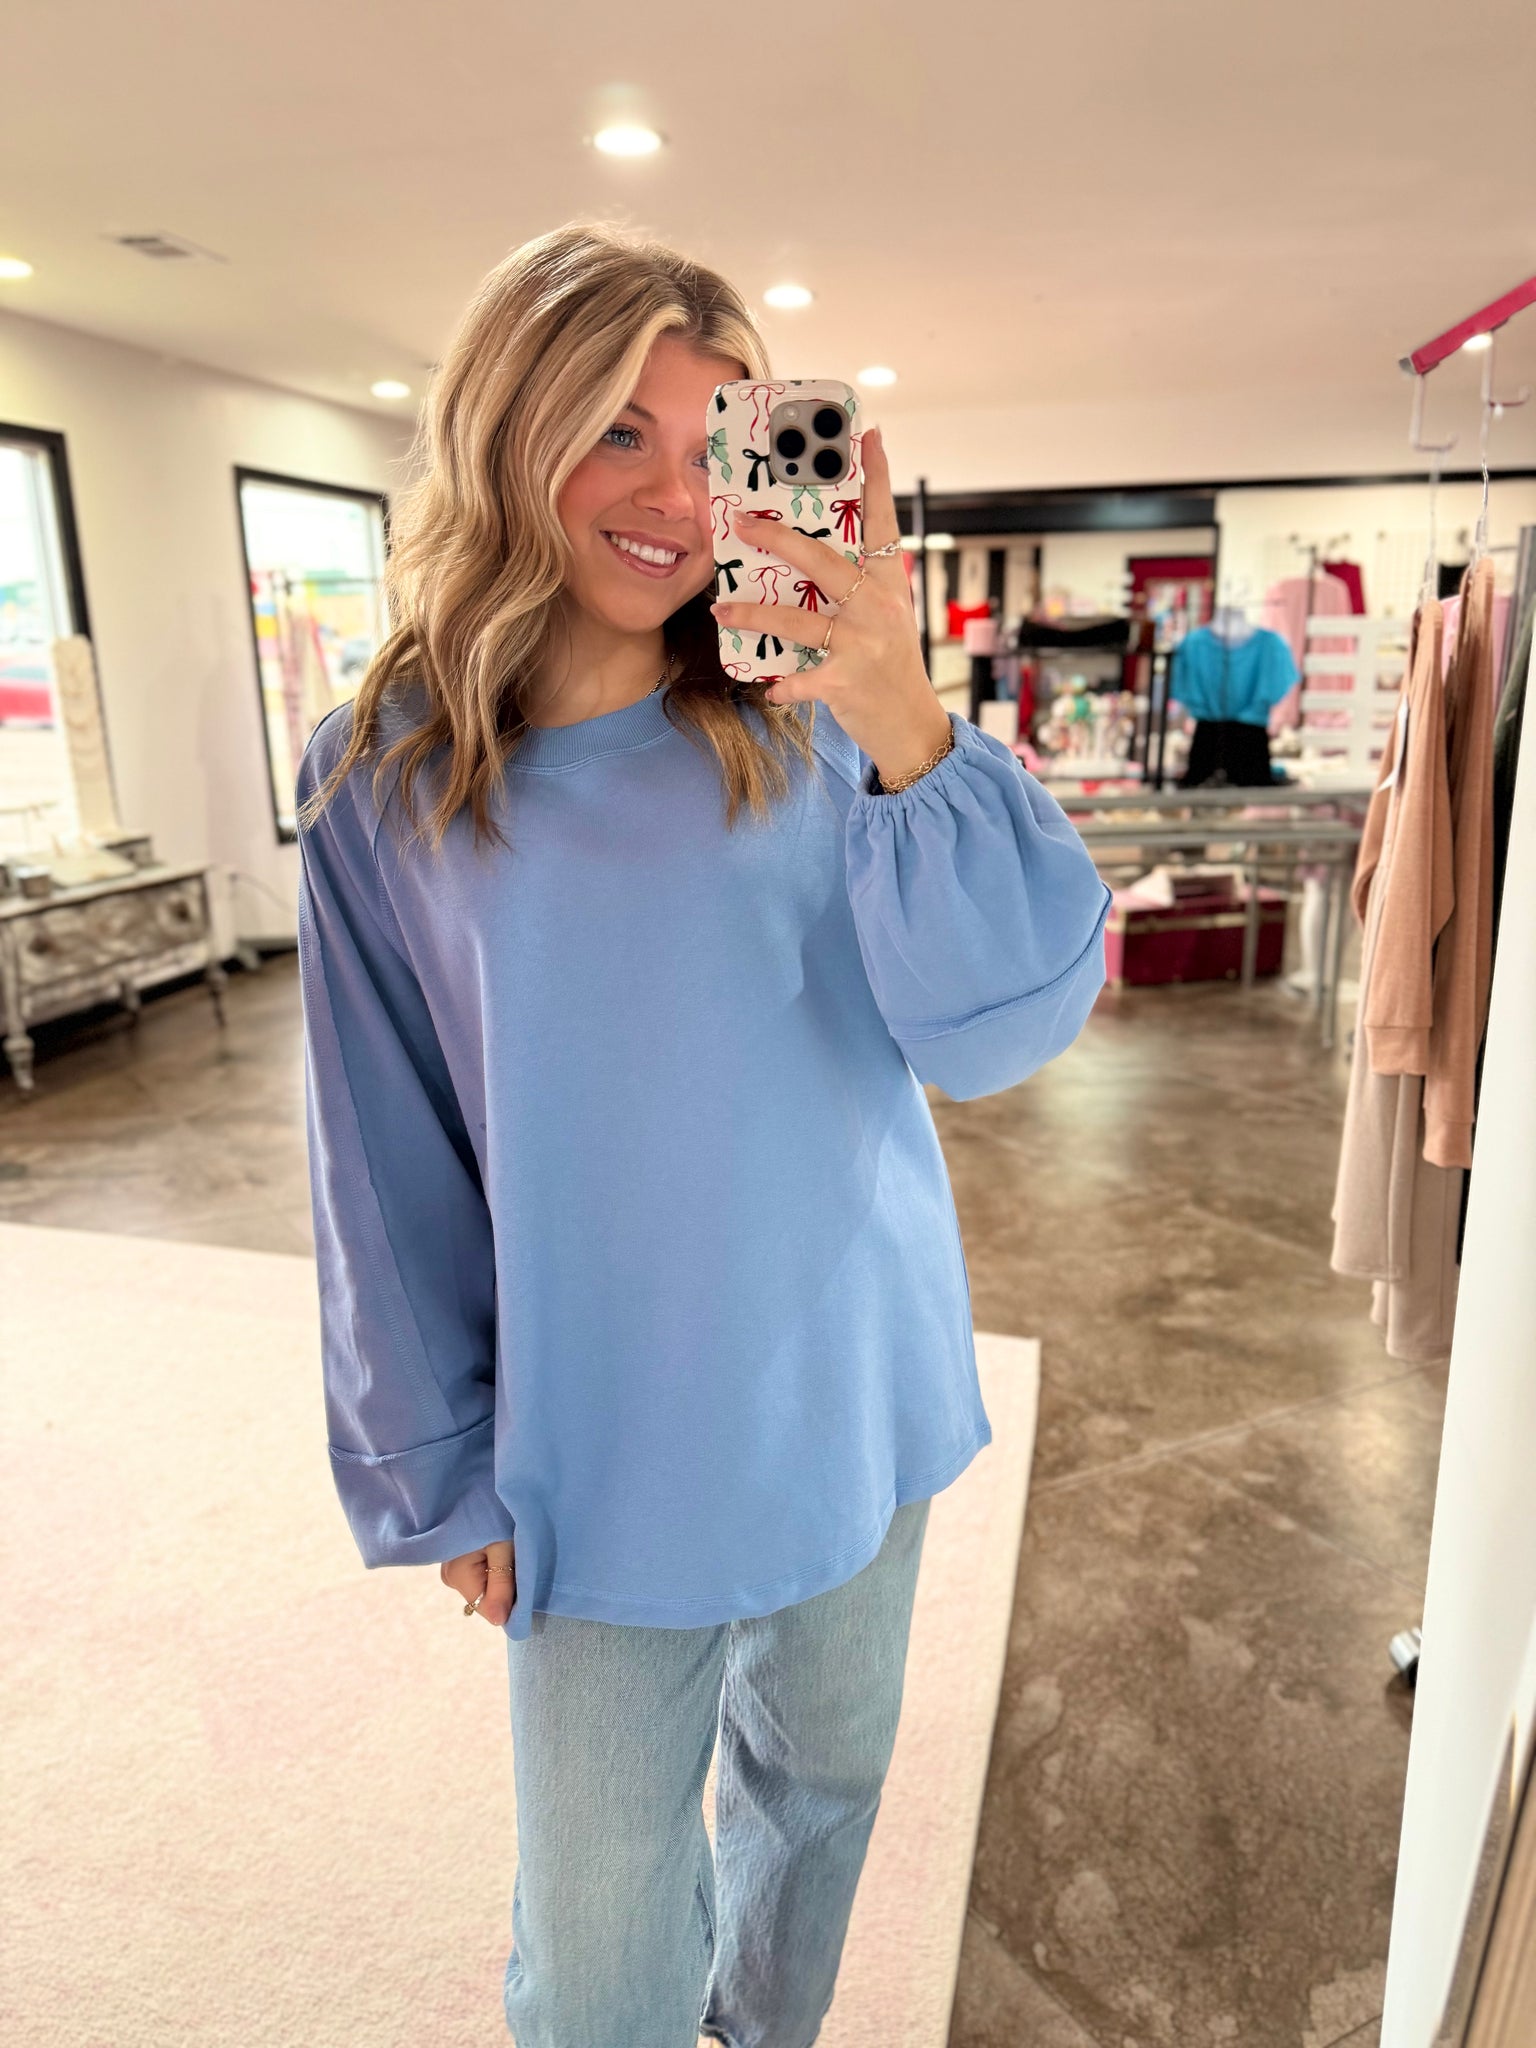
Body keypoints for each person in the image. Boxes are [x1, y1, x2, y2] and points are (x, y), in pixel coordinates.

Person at [294, 220, 1112, 2048]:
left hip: (849, 1367)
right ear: (510, 430)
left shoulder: (813, 715)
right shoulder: (386, 765)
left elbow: (1004, 1028)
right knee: (599, 1946)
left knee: (821, 1793)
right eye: (616, 431)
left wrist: (900, 708)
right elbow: (380, 1144)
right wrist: (440, 1455)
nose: (673, 496)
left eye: (712, 441)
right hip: (597, 1421)